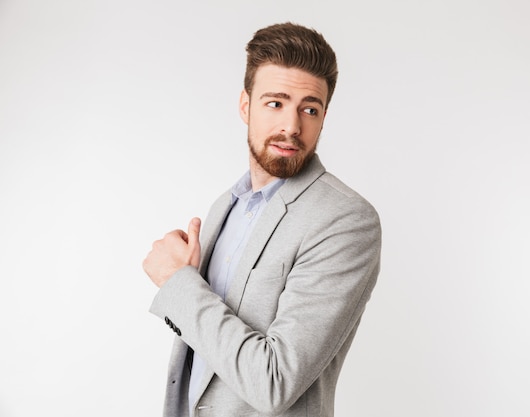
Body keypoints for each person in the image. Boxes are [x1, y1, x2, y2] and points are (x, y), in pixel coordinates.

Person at [143, 22, 382, 417]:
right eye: (276, 103)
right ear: (245, 105)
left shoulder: (346, 220)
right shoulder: (226, 205)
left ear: (324, 117)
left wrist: (177, 283)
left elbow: (274, 384)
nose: (292, 126)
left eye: (309, 108)